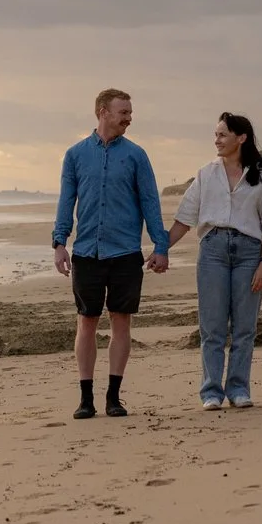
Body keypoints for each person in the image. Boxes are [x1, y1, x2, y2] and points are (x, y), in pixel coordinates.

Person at [52, 88, 170, 419]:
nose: (129, 118)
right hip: (87, 252)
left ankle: (113, 397)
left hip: (125, 253)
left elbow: (150, 202)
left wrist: (160, 246)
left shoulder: (136, 155)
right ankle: (86, 399)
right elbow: (66, 201)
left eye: (130, 112)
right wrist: (59, 242)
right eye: (124, 112)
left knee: (121, 322)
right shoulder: (75, 155)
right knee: (86, 322)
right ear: (103, 112)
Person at [164, 113, 262, 410]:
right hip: (213, 250)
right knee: (213, 326)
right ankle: (211, 392)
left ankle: (239, 389)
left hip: (249, 252)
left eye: (222, 135)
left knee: (245, 327)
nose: (216, 140)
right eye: (215, 135)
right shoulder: (206, 173)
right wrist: (160, 249)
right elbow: (185, 219)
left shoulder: (261, 174)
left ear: (240, 138)